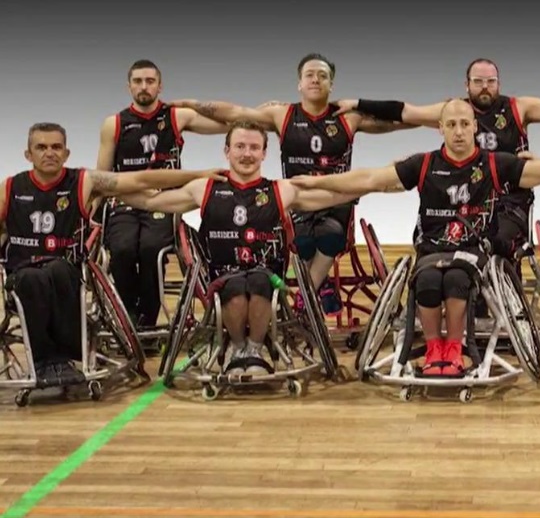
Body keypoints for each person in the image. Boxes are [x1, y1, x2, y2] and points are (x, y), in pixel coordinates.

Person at [288, 99, 540, 377]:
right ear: (440, 128)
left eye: (464, 124)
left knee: (455, 281)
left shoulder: (496, 164)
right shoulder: (423, 164)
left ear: (474, 127)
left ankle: (453, 348)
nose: (458, 131)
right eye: (451, 124)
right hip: (431, 250)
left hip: (472, 251)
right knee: (425, 282)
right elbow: (366, 180)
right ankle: (434, 348)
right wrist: (315, 183)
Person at [117, 119, 382, 376]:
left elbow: (332, 195)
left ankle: (254, 348)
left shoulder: (280, 190)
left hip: (266, 273)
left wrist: (374, 184)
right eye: (240, 146)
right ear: (227, 151)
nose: (247, 154)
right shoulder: (204, 189)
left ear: (264, 153)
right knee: (233, 288)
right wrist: (113, 190)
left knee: (257, 283)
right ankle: (238, 347)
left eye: (254, 148)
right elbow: (153, 202)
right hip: (222, 274)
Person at [169, 53, 413, 316]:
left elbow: (399, 119)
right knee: (303, 241)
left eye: (323, 76)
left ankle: (302, 301)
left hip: (337, 198)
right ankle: (320, 285)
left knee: (330, 234)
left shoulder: (348, 117)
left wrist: (432, 118)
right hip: (299, 198)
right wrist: (189, 103)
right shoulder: (282, 114)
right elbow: (235, 114)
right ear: (299, 83)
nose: (316, 80)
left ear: (332, 84)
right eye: (310, 75)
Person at [328, 57, 540, 264]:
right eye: (478, 81)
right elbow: (405, 111)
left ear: (499, 83)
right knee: (438, 238)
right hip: (464, 198)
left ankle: (507, 302)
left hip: (509, 197)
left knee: (499, 241)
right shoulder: (453, 110)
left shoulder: (518, 108)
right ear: (467, 85)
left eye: (491, 81)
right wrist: (357, 103)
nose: (485, 87)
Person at [0, 122, 220, 387]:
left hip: (65, 271)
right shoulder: (10, 188)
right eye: (41, 147)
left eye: (56, 147)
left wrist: (200, 174)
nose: (50, 153)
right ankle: (47, 361)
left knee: (57, 269)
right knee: (31, 278)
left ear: (67, 153)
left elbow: (142, 179)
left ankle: (62, 355)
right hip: (24, 274)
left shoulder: (83, 182)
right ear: (28, 154)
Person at [95, 59, 231, 333]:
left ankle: (146, 322)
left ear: (160, 85)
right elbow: (103, 176)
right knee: (121, 250)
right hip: (126, 200)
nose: (144, 87)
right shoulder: (114, 123)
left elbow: (227, 124)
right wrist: (91, 212)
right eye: (138, 81)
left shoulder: (176, 116)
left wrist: (192, 103)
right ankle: (127, 316)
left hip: (165, 201)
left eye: (150, 81)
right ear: (129, 86)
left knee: (150, 249)